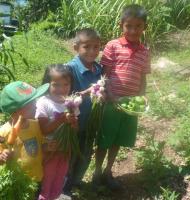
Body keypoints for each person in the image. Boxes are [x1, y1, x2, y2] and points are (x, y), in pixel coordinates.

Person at [93, 4, 151, 190]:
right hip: (111, 102)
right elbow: (105, 75)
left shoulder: (145, 52)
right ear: (121, 25)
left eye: (138, 26)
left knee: (118, 140)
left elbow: (143, 78)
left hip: (130, 105)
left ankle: (108, 171)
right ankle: (96, 172)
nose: (133, 30)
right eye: (129, 26)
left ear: (144, 27)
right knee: (104, 139)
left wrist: (142, 97)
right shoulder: (113, 46)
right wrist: (111, 96)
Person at [63, 28, 102, 195]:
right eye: (87, 47)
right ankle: (63, 187)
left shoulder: (98, 69)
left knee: (85, 152)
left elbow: (100, 90)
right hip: (72, 124)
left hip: (90, 122)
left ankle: (76, 180)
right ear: (76, 47)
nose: (92, 51)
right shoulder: (69, 69)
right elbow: (63, 96)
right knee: (69, 155)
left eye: (96, 47)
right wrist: (86, 93)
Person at [35, 64, 78, 200]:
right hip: (49, 150)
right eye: (56, 85)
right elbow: (44, 129)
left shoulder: (72, 102)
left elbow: (75, 129)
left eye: (66, 84)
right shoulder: (43, 102)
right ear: (47, 84)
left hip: (65, 150)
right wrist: (61, 120)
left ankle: (55, 196)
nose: (61, 89)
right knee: (47, 178)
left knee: (60, 177)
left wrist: (73, 123)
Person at [0, 81, 49, 186]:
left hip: (36, 177)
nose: (36, 106)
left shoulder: (36, 124)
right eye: (32, 103)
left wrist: (48, 146)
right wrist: (2, 156)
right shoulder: (3, 132)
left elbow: (42, 144)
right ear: (16, 110)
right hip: (17, 182)